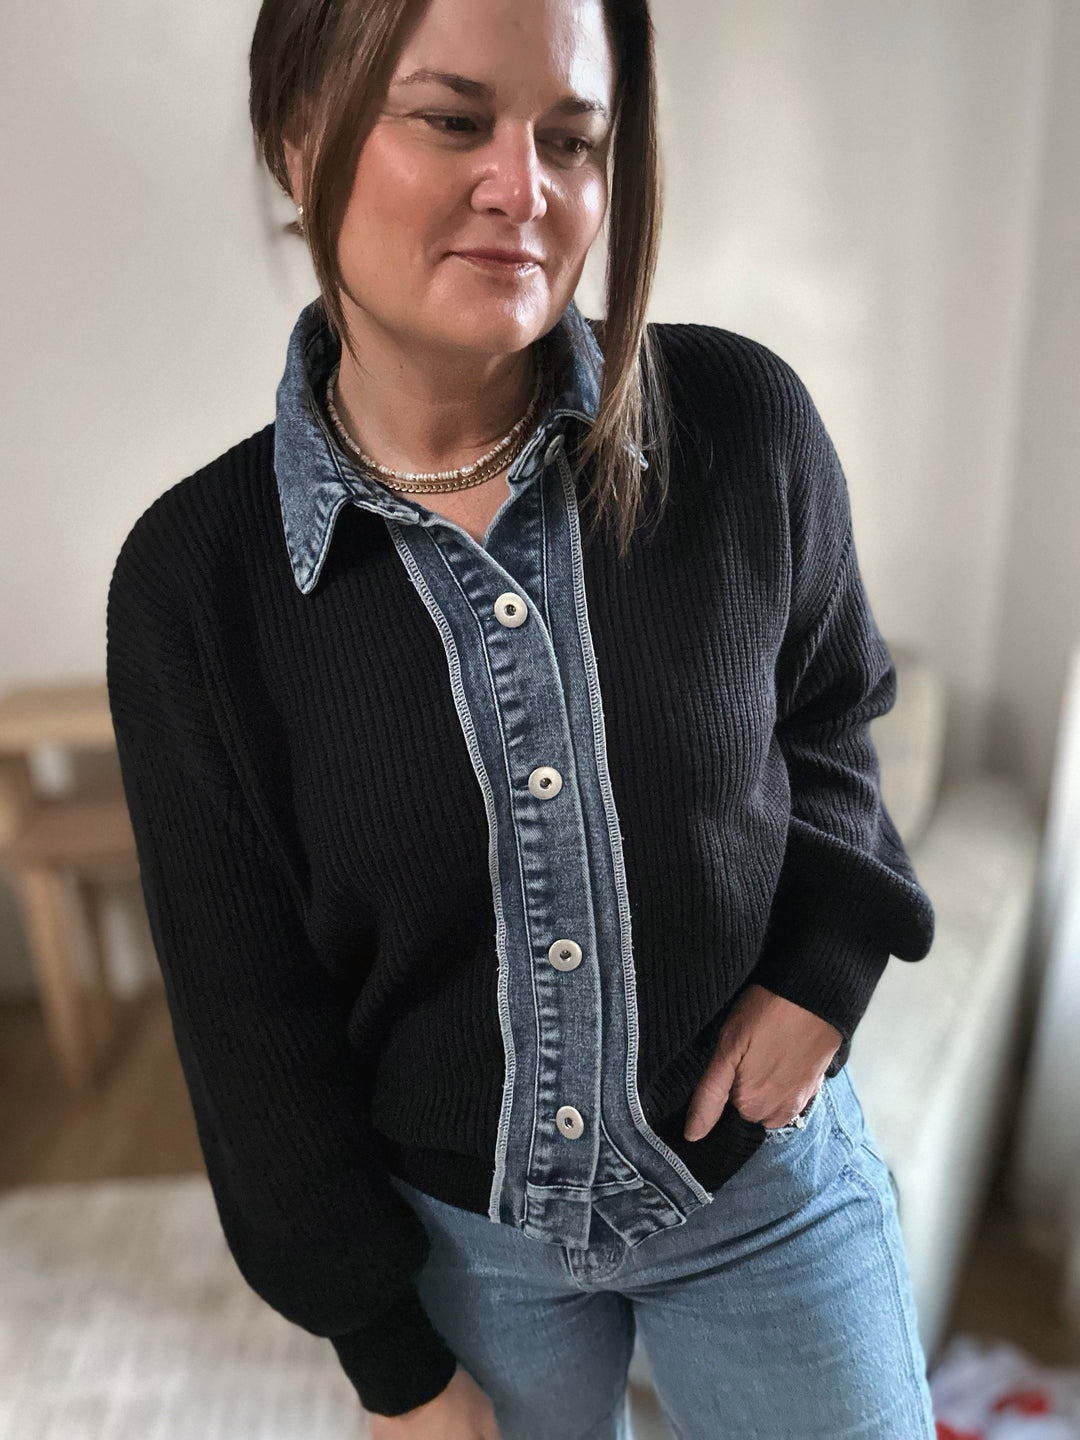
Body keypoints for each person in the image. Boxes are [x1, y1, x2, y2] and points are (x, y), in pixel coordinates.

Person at [105, 0, 939, 1435]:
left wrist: (828, 962)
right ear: (295, 136)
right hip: (463, 1257)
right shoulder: (195, 585)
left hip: (766, 1193)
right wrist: (391, 1361)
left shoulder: (743, 428)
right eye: (451, 119)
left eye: (573, 138)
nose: (525, 189)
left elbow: (833, 715)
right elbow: (247, 1021)